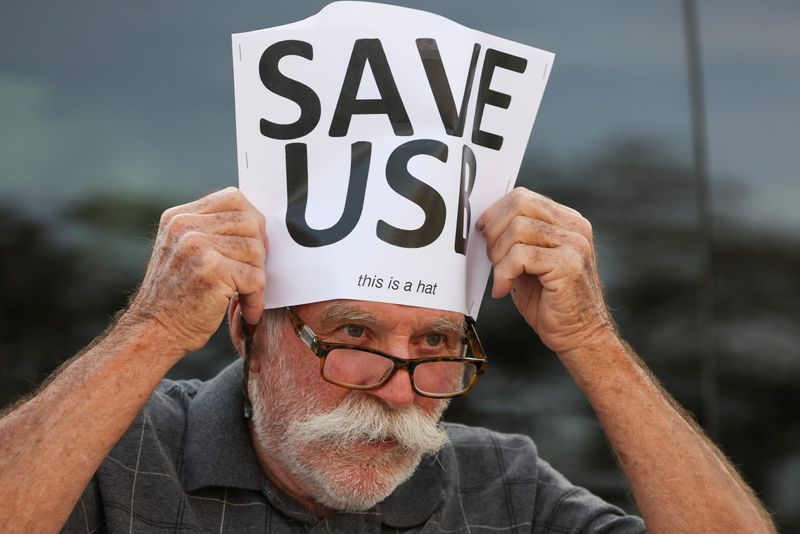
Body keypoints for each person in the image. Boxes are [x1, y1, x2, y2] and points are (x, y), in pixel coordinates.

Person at [0, 187, 775, 533]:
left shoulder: (502, 488)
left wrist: (592, 343)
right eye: (354, 337)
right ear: (250, 333)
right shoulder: (111, 454)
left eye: (435, 344)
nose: (399, 394)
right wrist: (155, 325)